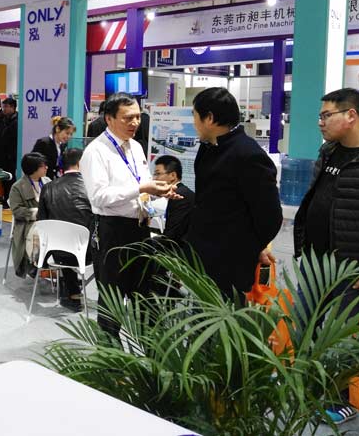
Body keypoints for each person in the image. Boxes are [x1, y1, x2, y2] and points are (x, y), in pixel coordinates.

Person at [293, 88, 359, 426]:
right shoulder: (329, 151)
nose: (320, 122)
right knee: (304, 326)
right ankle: (306, 387)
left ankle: (338, 399)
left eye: (326, 115)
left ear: (351, 115)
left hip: (351, 269)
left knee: (342, 337)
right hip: (316, 262)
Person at [80, 92, 180, 335]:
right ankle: (110, 354)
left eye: (137, 117)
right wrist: (142, 188)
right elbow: (99, 197)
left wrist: (158, 192)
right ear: (109, 119)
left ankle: (146, 350)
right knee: (112, 300)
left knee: (143, 297)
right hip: (112, 232)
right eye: (128, 118)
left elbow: (141, 186)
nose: (135, 123)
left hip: (140, 229)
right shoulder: (96, 152)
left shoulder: (135, 147)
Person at [185, 87, 281, 299]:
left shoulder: (248, 154)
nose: (194, 122)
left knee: (225, 316)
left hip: (230, 265)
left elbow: (270, 216)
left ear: (209, 118)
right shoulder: (208, 147)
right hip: (203, 258)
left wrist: (250, 248)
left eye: (195, 115)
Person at [37, 148, 93, 311]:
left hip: (57, 252)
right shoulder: (91, 188)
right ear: (80, 163)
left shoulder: (48, 188)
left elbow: (41, 222)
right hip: (87, 253)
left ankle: (73, 293)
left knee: (65, 237)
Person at [9, 152, 51, 278]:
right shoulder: (17, 187)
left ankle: (61, 266)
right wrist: (37, 213)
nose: (46, 167)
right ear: (33, 169)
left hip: (48, 221)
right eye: (43, 166)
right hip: (27, 224)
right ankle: (35, 263)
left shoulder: (48, 182)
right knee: (37, 233)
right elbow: (17, 211)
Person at [153, 155, 195, 243]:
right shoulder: (181, 191)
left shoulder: (179, 195)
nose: (154, 178)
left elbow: (173, 234)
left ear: (173, 175)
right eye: (154, 174)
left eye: (158, 174)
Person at [32, 116, 76, 181]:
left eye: (71, 134)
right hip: (41, 181)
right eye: (67, 133)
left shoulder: (62, 146)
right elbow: (33, 163)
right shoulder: (43, 143)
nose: (69, 136)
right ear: (57, 129)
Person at [0, 97, 19, 206]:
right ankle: (6, 198)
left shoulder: (16, 121)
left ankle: (10, 199)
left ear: (13, 107)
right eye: (3, 107)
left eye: (6, 107)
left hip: (12, 155)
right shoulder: (4, 119)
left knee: (11, 179)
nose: (4, 109)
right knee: (6, 178)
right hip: (4, 154)